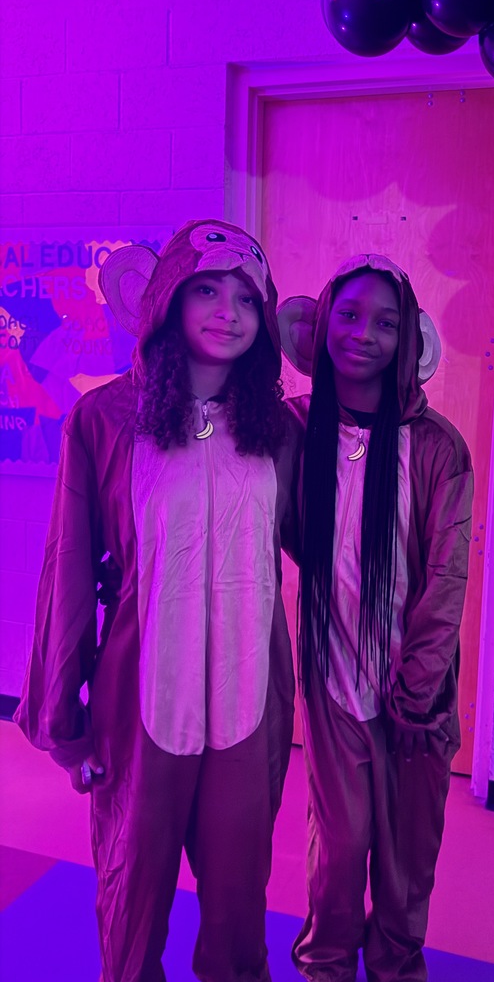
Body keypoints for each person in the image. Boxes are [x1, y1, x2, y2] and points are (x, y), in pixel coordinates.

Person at [14, 220, 298, 982]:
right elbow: (68, 572)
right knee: (133, 891)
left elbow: (331, 546)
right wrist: (63, 719)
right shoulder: (105, 419)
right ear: (169, 296)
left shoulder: (281, 426)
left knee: (240, 899)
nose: (228, 310)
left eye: (247, 296)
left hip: (249, 698)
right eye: (207, 288)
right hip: (139, 695)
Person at [278, 254, 473, 982]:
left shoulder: (437, 447)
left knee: (405, 863)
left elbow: (445, 580)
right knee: (338, 847)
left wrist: (418, 691)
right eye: (351, 315)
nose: (363, 333)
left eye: (386, 323)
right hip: (331, 681)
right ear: (324, 321)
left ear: (406, 340)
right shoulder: (294, 429)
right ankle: (325, 965)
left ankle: (395, 968)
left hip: (416, 697)